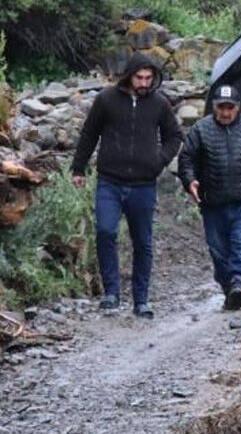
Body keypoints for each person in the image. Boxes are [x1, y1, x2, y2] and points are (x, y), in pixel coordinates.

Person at [71, 53, 182, 319]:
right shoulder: (106, 99)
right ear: (129, 75)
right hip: (110, 180)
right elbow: (89, 133)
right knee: (105, 231)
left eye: (148, 78)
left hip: (144, 183)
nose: (144, 82)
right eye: (139, 77)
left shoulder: (159, 104)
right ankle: (111, 293)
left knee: (143, 242)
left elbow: (174, 135)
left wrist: (160, 160)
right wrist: (78, 167)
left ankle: (141, 299)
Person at [178, 85, 241, 311]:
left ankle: (238, 285)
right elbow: (186, 159)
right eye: (221, 107)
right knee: (218, 250)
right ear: (214, 107)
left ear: (238, 107)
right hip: (213, 201)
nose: (225, 112)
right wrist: (190, 180)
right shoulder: (201, 130)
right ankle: (229, 289)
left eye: (230, 107)